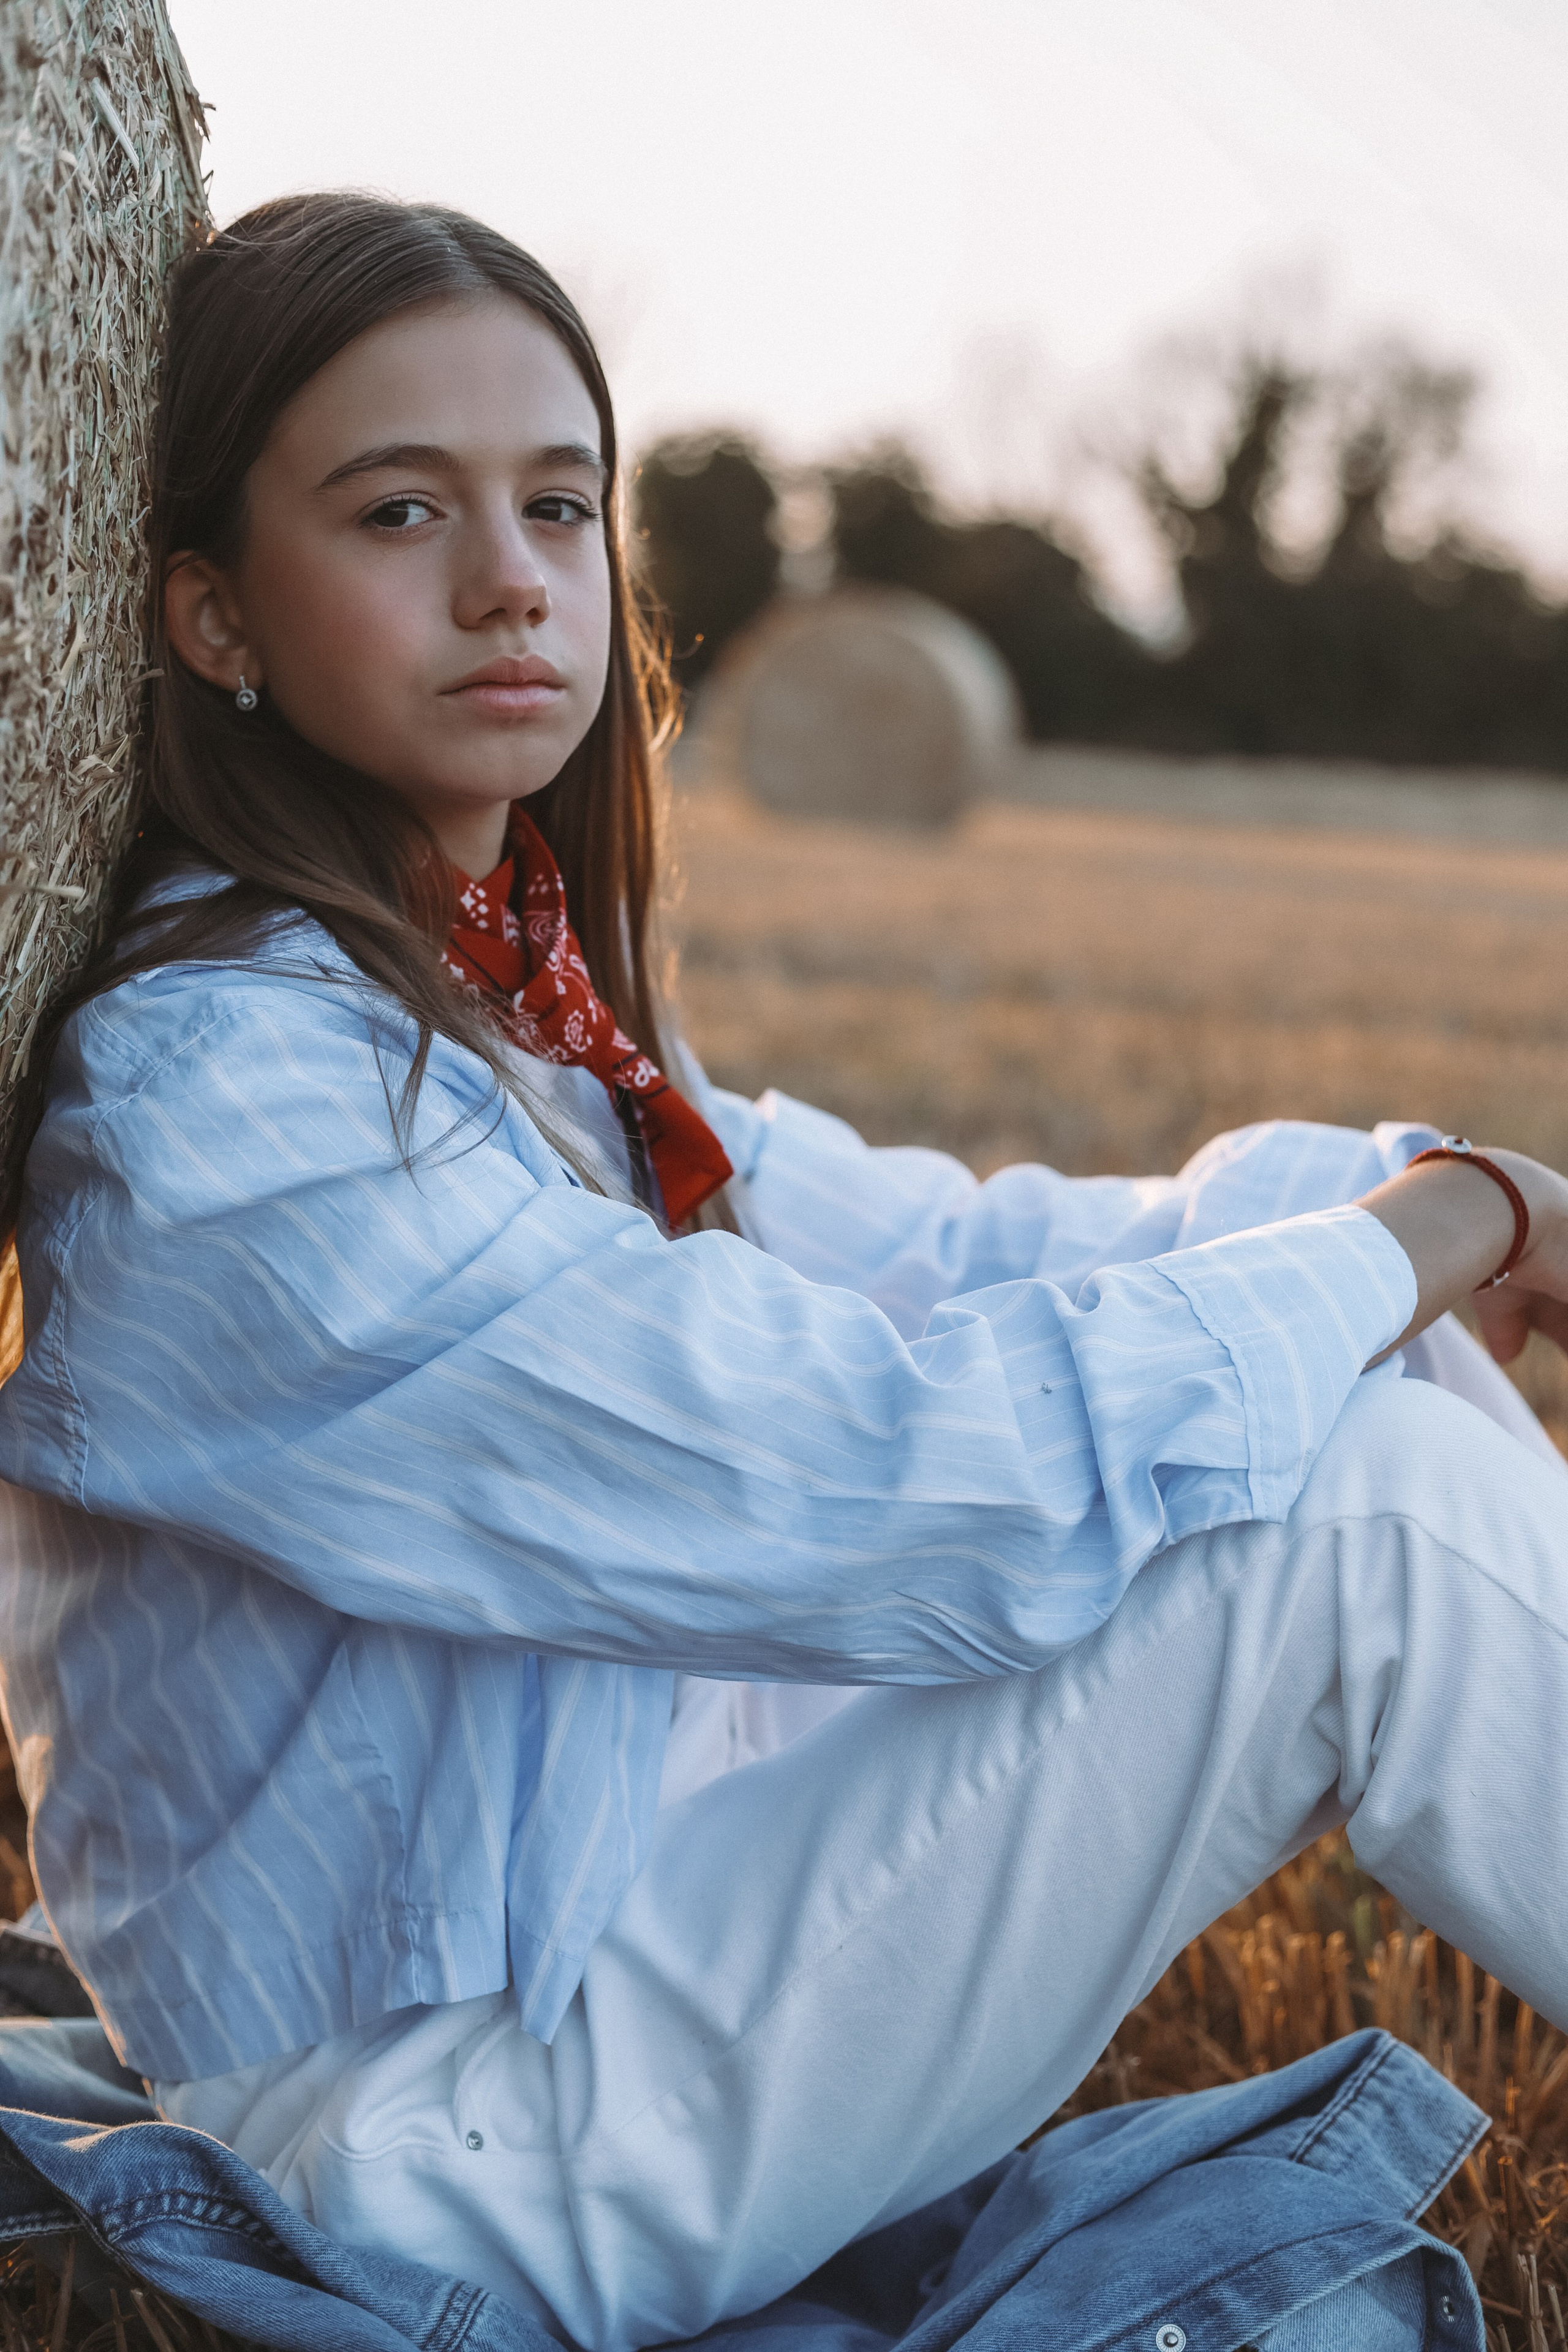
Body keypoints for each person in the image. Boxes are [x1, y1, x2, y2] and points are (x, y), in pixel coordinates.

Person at [0, 192, 1566, 2352]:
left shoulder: (512, 1026)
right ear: (210, 614)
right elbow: (896, 1479)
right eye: (395, 512)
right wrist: (1439, 1235)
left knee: (1344, 1373)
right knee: (1362, 1516)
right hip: (446, 2149)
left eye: (560, 502)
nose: (509, 579)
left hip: (618, 1947)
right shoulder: (230, 1111)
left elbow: (946, 1251)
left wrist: (1387, 1191)